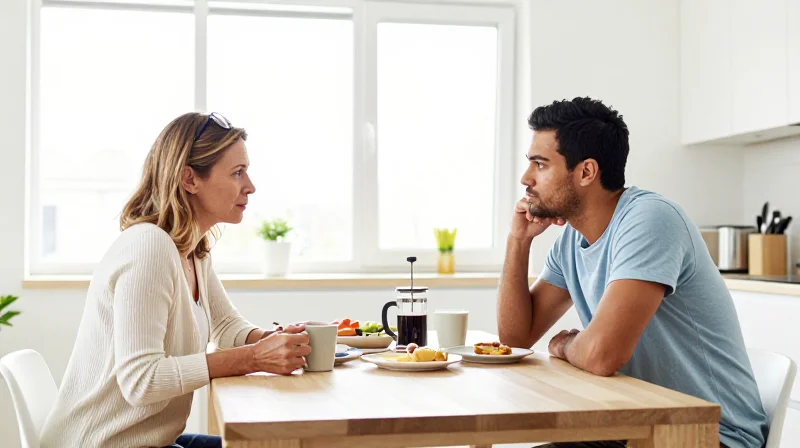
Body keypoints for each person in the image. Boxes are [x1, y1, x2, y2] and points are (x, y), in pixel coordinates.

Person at [496, 97, 769, 448]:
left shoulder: (649, 221)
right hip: (637, 428)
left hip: (709, 435)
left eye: (540, 164)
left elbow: (601, 355)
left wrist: (567, 346)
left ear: (586, 172)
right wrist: (518, 242)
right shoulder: (571, 241)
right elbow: (514, 340)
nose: (526, 178)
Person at [40, 112, 312, 448]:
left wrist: (280, 339)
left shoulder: (192, 247)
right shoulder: (149, 247)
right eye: (237, 172)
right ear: (190, 179)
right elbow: (141, 381)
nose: (250, 186)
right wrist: (255, 357)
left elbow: (226, 327)